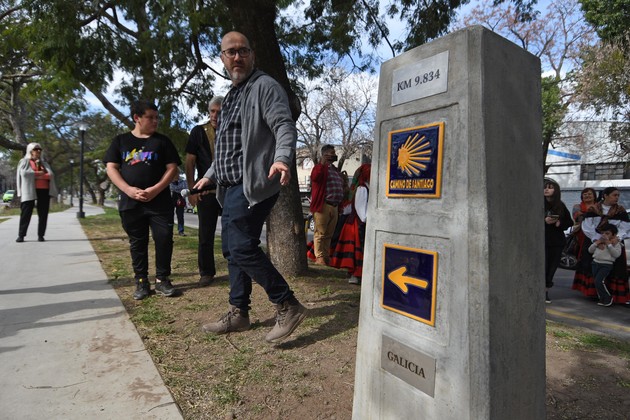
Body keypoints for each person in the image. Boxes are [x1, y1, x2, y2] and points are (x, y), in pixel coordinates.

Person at [193, 31, 307, 343]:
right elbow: (228, 147)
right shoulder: (231, 96)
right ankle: (239, 312)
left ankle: (287, 304)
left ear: (252, 55)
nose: (237, 57)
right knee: (233, 250)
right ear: (222, 58)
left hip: (251, 184)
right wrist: (210, 174)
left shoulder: (264, 86)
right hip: (229, 186)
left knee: (242, 247)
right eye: (230, 52)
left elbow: (283, 125)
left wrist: (282, 158)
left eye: (243, 51)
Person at [104, 100, 181, 300]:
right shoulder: (120, 141)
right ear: (137, 118)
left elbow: (172, 168)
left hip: (159, 202)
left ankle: (162, 279)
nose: (155, 121)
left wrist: (155, 189)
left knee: (164, 238)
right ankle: (141, 281)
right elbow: (111, 168)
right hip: (131, 203)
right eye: (150, 117)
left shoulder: (162, 142)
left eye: (157, 117)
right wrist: (128, 190)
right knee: (138, 242)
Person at [185, 96, 223, 286]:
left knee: (234, 233)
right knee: (205, 235)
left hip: (229, 191)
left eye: (219, 112)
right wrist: (192, 190)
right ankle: (206, 272)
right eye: (212, 111)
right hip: (205, 192)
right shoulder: (198, 131)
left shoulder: (233, 131)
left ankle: (239, 268)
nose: (215, 115)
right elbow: (189, 162)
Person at [581, 187, 630, 305]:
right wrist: (598, 240)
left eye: (618, 195)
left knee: (616, 269)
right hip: (596, 241)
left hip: (614, 242)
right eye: (614, 195)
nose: (617, 198)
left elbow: (625, 227)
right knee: (594, 267)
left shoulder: (620, 211)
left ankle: (615, 295)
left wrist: (616, 238)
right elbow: (587, 227)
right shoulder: (593, 209)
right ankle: (595, 293)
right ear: (605, 196)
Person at [330, 164, 371, 284]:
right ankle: (355, 275)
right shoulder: (362, 189)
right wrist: (369, 220)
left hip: (358, 223)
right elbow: (361, 211)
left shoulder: (366, 187)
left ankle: (359, 275)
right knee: (358, 252)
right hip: (358, 224)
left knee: (360, 251)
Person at [15, 142, 58, 242]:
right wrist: (39, 173)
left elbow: (50, 175)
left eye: (40, 149)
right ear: (30, 151)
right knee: (26, 213)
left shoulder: (44, 163)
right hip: (29, 190)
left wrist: (36, 175)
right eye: (36, 149)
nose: (38, 151)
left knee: (43, 213)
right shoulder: (24, 161)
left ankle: (41, 235)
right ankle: (21, 235)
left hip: (44, 190)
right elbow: (24, 174)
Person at [309, 145, 344, 265]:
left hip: (335, 206)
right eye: (330, 153)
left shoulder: (335, 170)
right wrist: (323, 162)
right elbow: (315, 177)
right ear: (324, 155)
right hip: (323, 205)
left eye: (333, 153)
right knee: (320, 233)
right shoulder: (319, 167)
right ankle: (319, 257)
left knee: (329, 234)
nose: (333, 156)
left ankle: (325, 256)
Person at [544, 178, 573, 304]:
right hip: (542, 240)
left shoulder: (560, 205)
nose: (546, 189)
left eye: (550, 188)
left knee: (551, 267)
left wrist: (559, 223)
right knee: (543, 266)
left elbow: (570, 222)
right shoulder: (538, 203)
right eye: (545, 187)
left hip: (556, 241)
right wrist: (544, 220)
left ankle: (545, 291)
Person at [571, 187, 598, 297]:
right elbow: (578, 217)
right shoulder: (577, 207)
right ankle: (585, 287)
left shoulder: (599, 206)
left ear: (594, 196)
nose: (587, 196)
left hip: (597, 236)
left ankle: (595, 288)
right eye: (585, 194)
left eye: (590, 194)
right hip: (582, 238)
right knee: (584, 262)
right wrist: (592, 212)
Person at [588, 223, 621, 307]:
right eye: (602, 233)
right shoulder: (599, 241)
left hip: (606, 264)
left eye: (607, 233)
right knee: (596, 281)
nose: (604, 235)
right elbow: (590, 250)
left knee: (599, 281)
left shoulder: (615, 243)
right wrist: (597, 243)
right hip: (595, 262)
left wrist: (609, 245)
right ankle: (602, 298)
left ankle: (607, 298)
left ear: (613, 235)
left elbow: (616, 254)